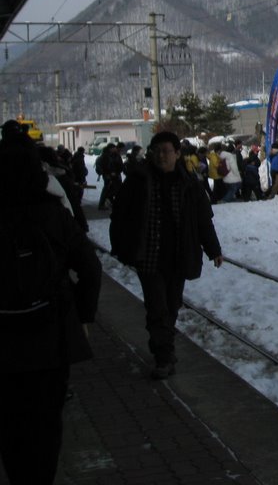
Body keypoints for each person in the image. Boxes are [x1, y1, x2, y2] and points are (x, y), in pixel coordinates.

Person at [0, 140, 101, 485]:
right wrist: (84, 316)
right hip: (50, 334)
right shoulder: (54, 213)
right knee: (45, 421)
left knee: (10, 423)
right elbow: (89, 268)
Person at [109, 131, 223, 379]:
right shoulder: (139, 180)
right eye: (157, 150)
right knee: (157, 307)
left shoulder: (189, 183)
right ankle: (163, 356)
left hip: (178, 255)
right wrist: (119, 245)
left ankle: (165, 346)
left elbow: (203, 220)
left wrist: (213, 249)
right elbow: (120, 215)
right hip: (148, 257)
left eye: (167, 151)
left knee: (171, 306)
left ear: (177, 153)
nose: (162, 155)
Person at [96, 142, 124, 210]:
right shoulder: (106, 156)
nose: (115, 149)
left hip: (112, 175)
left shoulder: (111, 154)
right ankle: (103, 203)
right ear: (110, 149)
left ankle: (109, 201)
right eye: (114, 148)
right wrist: (110, 173)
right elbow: (107, 166)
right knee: (108, 189)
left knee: (112, 189)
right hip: (108, 175)